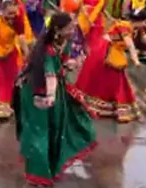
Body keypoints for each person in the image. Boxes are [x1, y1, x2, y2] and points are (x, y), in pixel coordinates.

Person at [13, 12, 97, 186]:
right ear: (58, 30)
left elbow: (60, 66)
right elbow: (50, 74)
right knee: (40, 131)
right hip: (38, 92)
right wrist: (50, 96)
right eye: (70, 28)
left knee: (55, 128)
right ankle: (38, 175)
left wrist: (74, 63)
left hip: (53, 90)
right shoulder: (47, 48)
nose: (73, 30)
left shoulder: (63, 43)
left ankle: (48, 168)